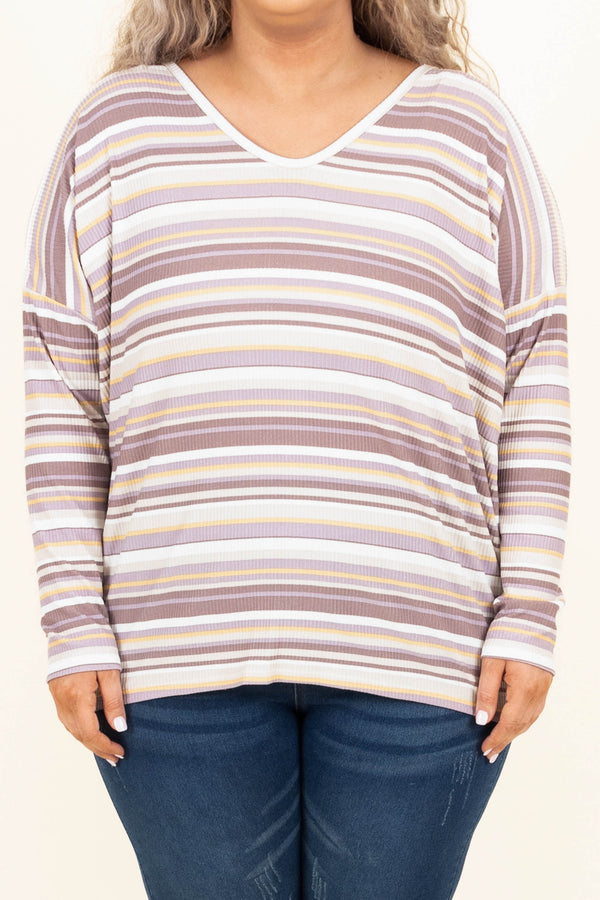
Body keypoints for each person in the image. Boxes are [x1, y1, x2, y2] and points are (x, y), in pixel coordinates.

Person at [22, 1, 570, 897]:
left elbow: (535, 373)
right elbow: (60, 383)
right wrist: (73, 618)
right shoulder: (115, 129)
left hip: (427, 655)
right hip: (172, 659)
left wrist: (531, 611)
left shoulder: (471, 131)